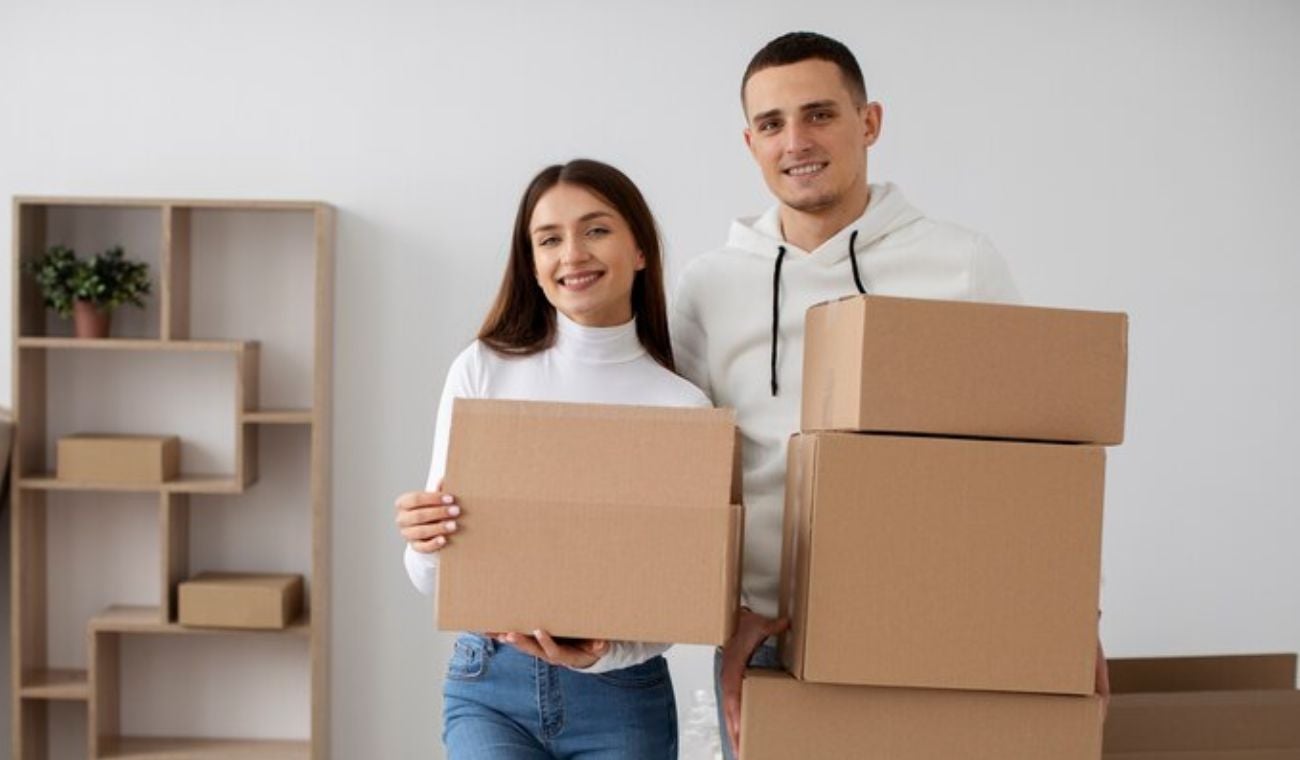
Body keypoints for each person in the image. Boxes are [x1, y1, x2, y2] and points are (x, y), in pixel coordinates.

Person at [668, 31, 1109, 758]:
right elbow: (685, 475)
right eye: (773, 124)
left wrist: (1072, 614)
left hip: (942, 629)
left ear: (868, 122)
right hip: (772, 645)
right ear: (750, 143)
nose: (796, 141)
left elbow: (1043, 461)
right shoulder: (708, 288)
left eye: (819, 114)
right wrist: (725, 617)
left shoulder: (961, 263)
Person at [395, 158, 710, 759]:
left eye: (596, 230)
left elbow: (679, 594)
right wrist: (422, 538)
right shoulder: (482, 369)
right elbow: (431, 578)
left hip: (621, 697)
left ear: (640, 248)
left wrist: (604, 654)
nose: (573, 254)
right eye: (549, 239)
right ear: (533, 263)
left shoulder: (683, 408)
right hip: (490, 682)